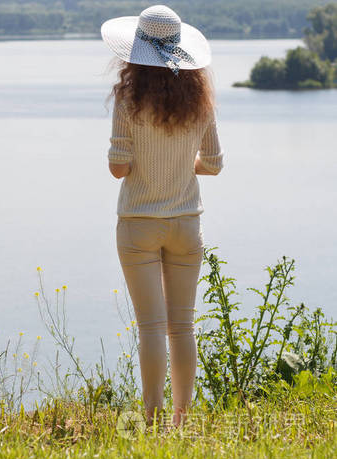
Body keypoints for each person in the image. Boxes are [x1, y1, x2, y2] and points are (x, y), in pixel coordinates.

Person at [100, 5, 223, 428]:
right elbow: (214, 162)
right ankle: (182, 423)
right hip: (187, 224)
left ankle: (151, 423)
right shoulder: (201, 98)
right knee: (182, 327)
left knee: (151, 328)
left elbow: (119, 166)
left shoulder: (128, 99)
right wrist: (180, 164)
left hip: (138, 224)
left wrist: (146, 163)